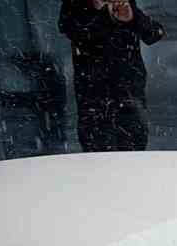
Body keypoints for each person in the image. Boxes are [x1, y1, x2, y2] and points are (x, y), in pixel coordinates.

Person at [58, 0, 164, 152]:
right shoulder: (75, 5)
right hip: (94, 95)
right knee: (98, 152)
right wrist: (103, 13)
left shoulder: (122, 4)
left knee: (134, 150)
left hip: (129, 91)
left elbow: (154, 33)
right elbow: (73, 30)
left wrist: (131, 17)